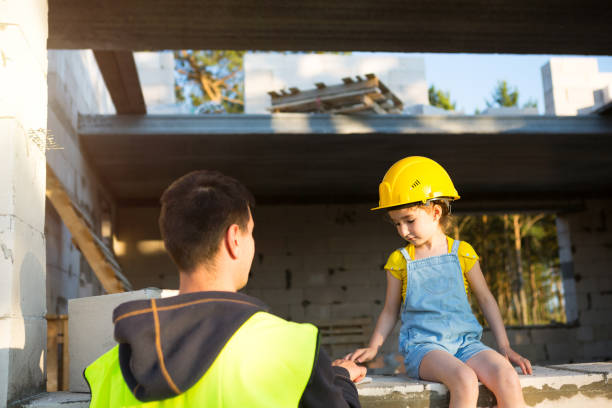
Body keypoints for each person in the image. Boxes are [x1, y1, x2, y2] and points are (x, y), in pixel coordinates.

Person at [84, 170, 366, 407]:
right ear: (234, 239)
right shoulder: (291, 348)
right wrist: (339, 377)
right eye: (250, 232)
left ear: (172, 245)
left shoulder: (111, 368)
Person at [345, 156, 532, 408]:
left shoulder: (463, 252)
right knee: (464, 379)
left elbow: (486, 299)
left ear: (435, 212)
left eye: (409, 220)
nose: (402, 231)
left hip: (466, 344)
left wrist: (505, 346)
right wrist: (373, 347)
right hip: (424, 349)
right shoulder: (399, 261)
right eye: (397, 224)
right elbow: (390, 311)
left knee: (507, 376)